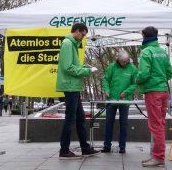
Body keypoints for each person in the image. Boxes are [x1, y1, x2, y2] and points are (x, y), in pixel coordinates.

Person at [56, 22, 100, 159]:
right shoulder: (68, 44)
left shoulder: (72, 44)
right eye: (83, 34)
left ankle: (85, 148)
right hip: (70, 86)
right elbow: (68, 67)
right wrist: (86, 71)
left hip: (73, 86)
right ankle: (64, 150)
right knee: (71, 118)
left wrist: (83, 66)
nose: (83, 37)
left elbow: (72, 66)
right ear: (77, 31)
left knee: (80, 118)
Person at [136, 26, 172, 167]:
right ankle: (157, 155)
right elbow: (170, 73)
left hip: (153, 92)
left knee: (156, 125)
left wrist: (136, 80)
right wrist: (160, 77)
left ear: (145, 36)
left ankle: (158, 157)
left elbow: (144, 74)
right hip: (164, 91)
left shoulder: (146, 52)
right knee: (161, 124)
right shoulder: (162, 52)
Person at [101, 51, 137, 154]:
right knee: (109, 123)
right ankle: (107, 146)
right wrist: (107, 90)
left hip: (125, 100)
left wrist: (126, 92)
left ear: (128, 60)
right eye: (122, 62)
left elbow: (135, 84)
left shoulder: (133, 69)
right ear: (118, 59)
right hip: (111, 99)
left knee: (123, 123)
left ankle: (122, 146)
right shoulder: (112, 67)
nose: (124, 63)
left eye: (125, 62)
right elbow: (106, 80)